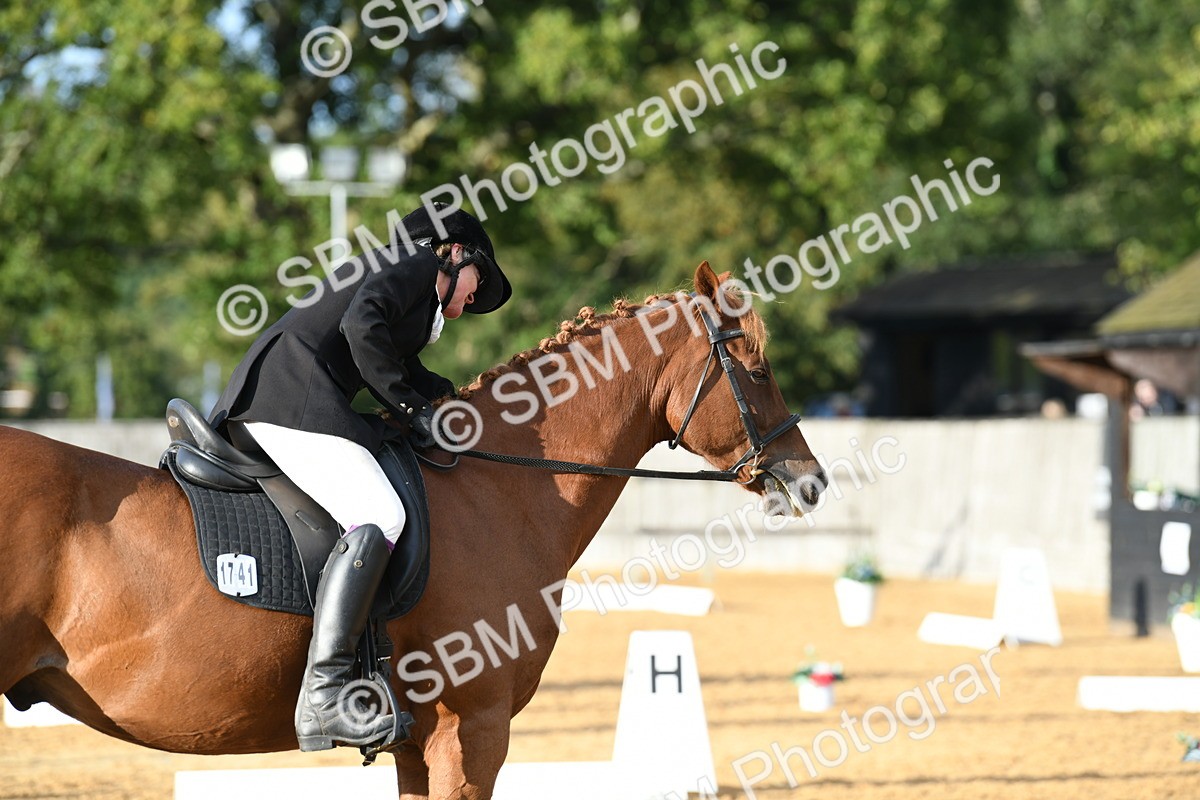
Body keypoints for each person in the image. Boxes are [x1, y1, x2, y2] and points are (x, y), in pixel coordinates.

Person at [208, 202, 511, 751]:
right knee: (381, 514)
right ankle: (324, 696)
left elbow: (394, 357)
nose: (475, 296)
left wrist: (439, 398)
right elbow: (360, 327)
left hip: (278, 394)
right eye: (479, 277)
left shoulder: (397, 272)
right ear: (453, 253)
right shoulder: (418, 265)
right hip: (290, 400)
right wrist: (410, 409)